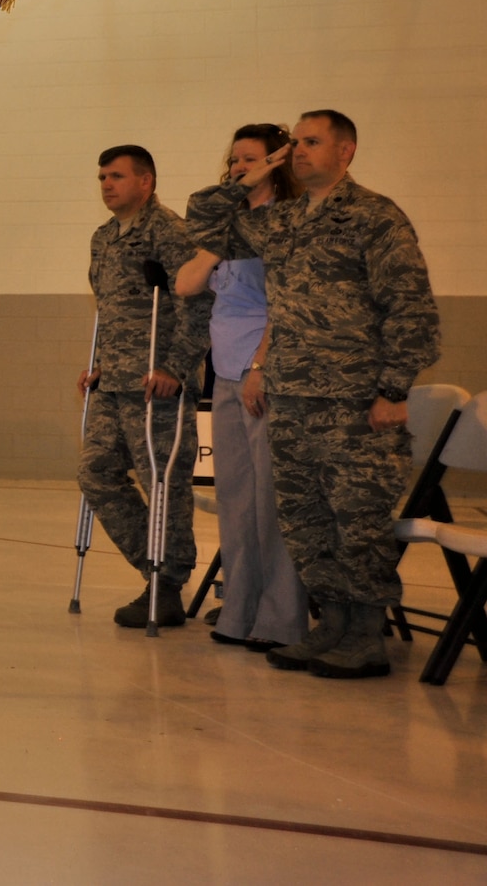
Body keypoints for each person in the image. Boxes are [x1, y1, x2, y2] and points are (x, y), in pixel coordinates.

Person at [188, 111, 440, 678]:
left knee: (358, 519)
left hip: (354, 402)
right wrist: (259, 170)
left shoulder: (375, 216)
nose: (298, 151)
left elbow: (412, 308)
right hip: (293, 398)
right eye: (293, 144)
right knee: (307, 519)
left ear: (346, 151)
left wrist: (393, 390)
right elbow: (205, 223)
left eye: (310, 142)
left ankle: (366, 635)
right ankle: (332, 628)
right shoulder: (286, 222)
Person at [172, 125, 307, 652]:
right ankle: (241, 609)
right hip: (224, 373)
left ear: (276, 163)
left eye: (250, 160)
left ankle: (281, 619)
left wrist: (260, 365)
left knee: (270, 501)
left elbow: (287, 305)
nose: (237, 168)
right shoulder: (225, 221)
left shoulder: (286, 224)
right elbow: (185, 283)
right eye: (233, 160)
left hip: (264, 373)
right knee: (235, 499)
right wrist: (216, 240)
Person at [75, 145, 208, 631]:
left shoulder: (169, 231)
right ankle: (152, 566)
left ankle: (167, 584)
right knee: (95, 473)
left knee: (164, 483)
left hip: (159, 386)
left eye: (117, 176)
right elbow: (109, 312)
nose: (107, 185)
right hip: (115, 383)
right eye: (102, 177)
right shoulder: (103, 239)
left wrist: (176, 367)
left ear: (146, 182)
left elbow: (197, 305)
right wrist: (98, 367)